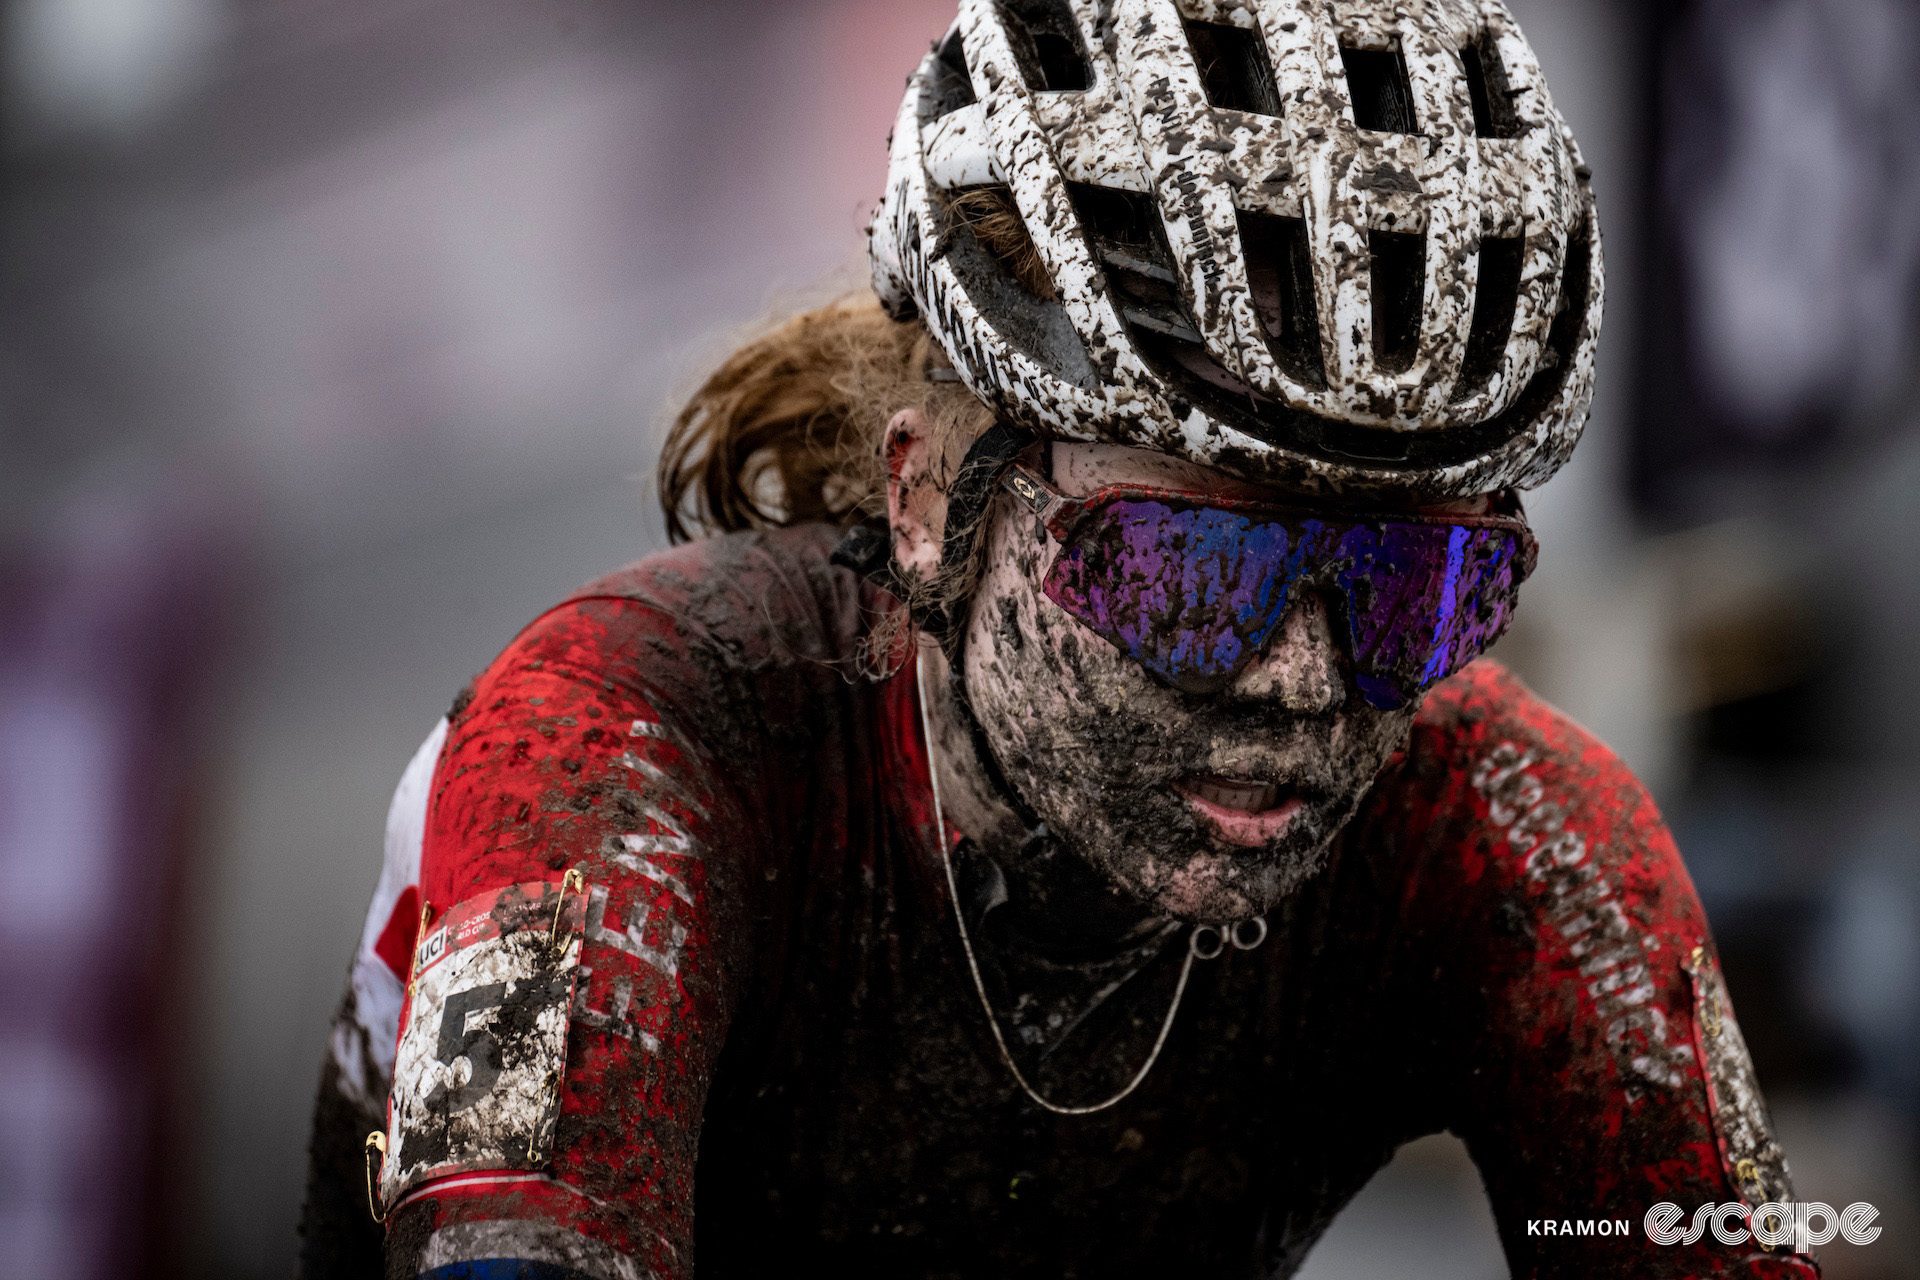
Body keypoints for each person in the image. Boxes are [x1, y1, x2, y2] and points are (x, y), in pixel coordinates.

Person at [301, 2, 1818, 1276]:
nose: (1299, 680)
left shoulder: (1511, 817)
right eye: (1191, 565)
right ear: (922, 502)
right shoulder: (621, 736)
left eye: (1412, 586)